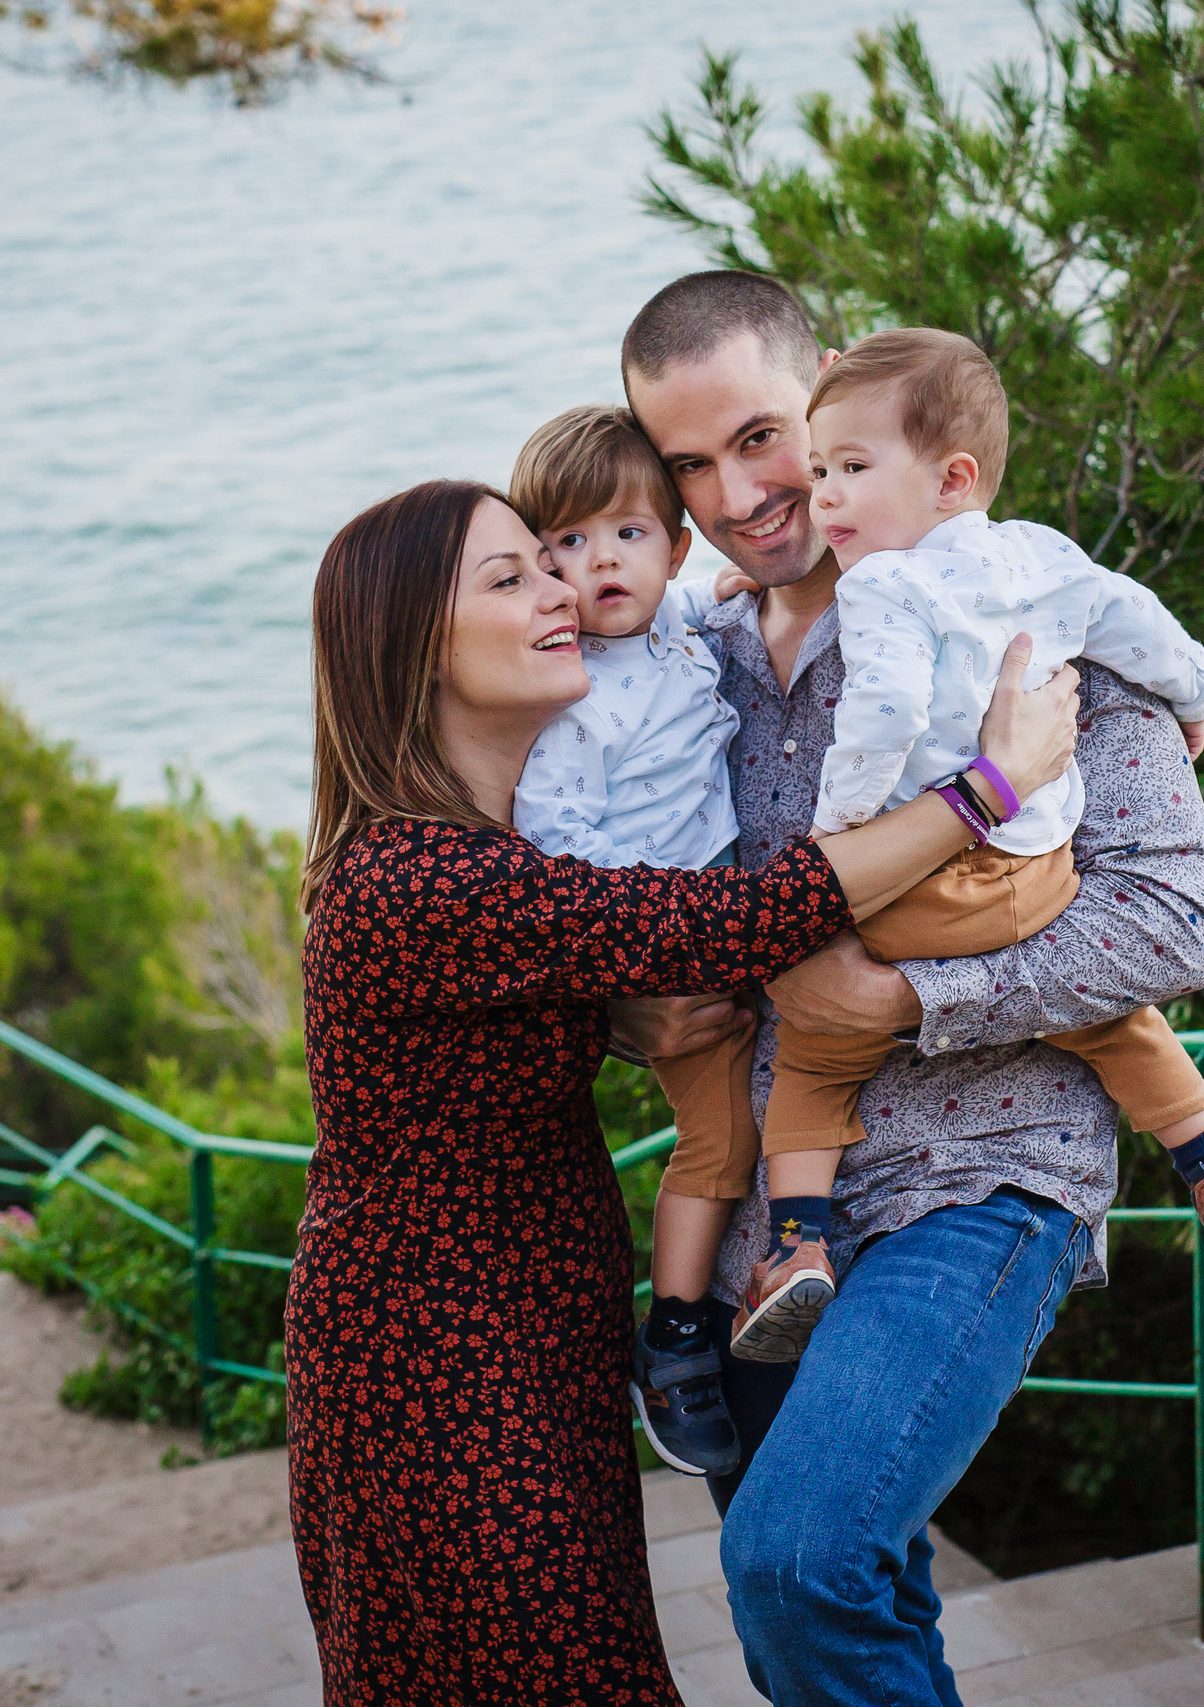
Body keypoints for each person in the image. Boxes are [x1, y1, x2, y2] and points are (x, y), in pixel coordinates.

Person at [283, 477, 1080, 1706]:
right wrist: (988, 786)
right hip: (436, 1355)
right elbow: (737, 922)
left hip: (525, 1325)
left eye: (547, 560)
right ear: (411, 652)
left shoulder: (485, 847)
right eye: (511, 579)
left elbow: (527, 1003)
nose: (558, 587)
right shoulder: (420, 873)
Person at [609, 270, 1204, 1707]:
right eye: (689, 465)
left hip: (986, 1172)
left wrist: (905, 1004)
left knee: (800, 1559)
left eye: (763, 437)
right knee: (853, 1596)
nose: (740, 496)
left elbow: (1170, 921)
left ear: (829, 390)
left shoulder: (1024, 613)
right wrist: (627, 1005)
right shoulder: (687, 656)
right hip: (783, 1211)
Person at [747, 328, 1204, 1365]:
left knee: (813, 1059)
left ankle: (794, 1246)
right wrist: (1195, 699)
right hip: (1033, 880)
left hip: (913, 893)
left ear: (952, 476)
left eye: (849, 470)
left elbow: (881, 712)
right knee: (1118, 1024)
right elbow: (1139, 624)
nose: (821, 496)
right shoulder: (1045, 558)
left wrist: (838, 830)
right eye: (819, 468)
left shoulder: (883, 584)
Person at [501, 404, 754, 1477]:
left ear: (676, 547)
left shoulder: (680, 624)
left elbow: (691, 600)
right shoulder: (572, 700)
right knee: (721, 1141)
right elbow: (559, 846)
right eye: (566, 541)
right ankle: (678, 1333)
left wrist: (737, 585)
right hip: (670, 949)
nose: (599, 559)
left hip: (738, 921)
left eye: (628, 534)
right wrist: (640, 959)